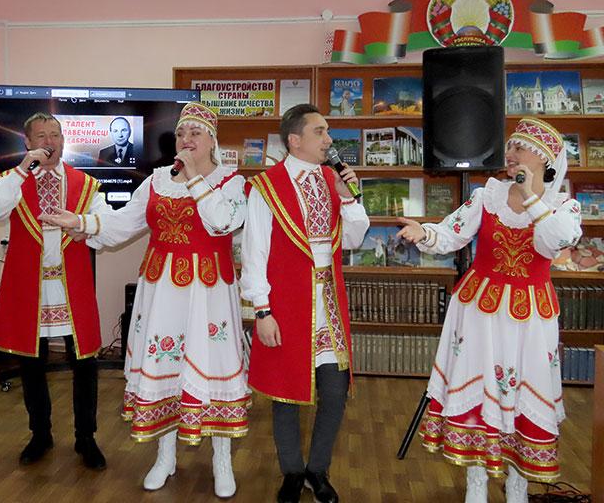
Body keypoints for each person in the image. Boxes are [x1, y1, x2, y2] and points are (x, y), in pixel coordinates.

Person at [41, 102, 250, 498]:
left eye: (195, 133)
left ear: (212, 141)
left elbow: (222, 222)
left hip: (209, 292)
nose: (186, 139)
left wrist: (194, 177)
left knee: (213, 366)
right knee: (163, 366)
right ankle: (165, 456)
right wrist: (81, 222)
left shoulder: (232, 183)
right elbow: (123, 223)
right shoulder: (156, 180)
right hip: (162, 290)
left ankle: (222, 460)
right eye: (181, 133)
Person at [397, 117, 582, 503]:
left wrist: (531, 197)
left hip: (530, 319)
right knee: (481, 392)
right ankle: (477, 483)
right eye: (510, 146)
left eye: (520, 147)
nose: (510, 153)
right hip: (481, 311)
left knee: (523, 395)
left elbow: (556, 241)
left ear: (544, 158)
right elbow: (452, 232)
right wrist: (424, 233)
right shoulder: (488, 195)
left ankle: (518, 486)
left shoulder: (563, 206)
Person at [240, 104, 369, 503]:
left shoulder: (333, 181)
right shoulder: (267, 186)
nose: (329, 139)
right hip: (288, 302)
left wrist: (349, 199)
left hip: (329, 301)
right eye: (320, 131)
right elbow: (255, 251)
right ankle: (292, 471)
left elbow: (354, 239)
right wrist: (262, 310)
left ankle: (318, 469)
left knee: (334, 391)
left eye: (327, 131)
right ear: (295, 140)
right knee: (286, 393)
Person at [0, 112, 108, 469]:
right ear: (27, 142)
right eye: (41, 135)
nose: (50, 142)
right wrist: (23, 170)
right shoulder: (11, 180)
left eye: (55, 134)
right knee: (31, 362)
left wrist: (88, 227)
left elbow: (103, 222)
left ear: (63, 140)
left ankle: (86, 437)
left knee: (84, 362)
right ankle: (40, 434)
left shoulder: (85, 184)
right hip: (29, 286)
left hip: (72, 285)